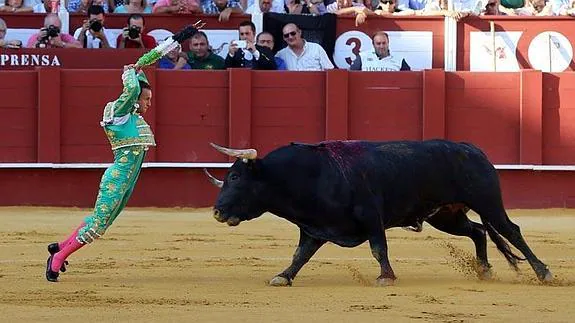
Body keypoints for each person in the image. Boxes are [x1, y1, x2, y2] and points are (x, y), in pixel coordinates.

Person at [45, 64, 155, 282]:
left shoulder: (131, 116)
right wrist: (129, 72)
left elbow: (136, 87)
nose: (148, 104)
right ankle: (57, 258)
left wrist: (140, 70)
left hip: (128, 181)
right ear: (134, 99)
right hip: (117, 179)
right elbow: (132, 89)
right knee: (98, 225)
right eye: (146, 100)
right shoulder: (119, 113)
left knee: (101, 221)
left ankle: (60, 246)